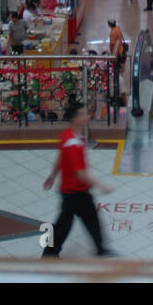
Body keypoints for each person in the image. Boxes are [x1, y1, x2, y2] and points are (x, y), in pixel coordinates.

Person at [42, 103, 113, 258]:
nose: (87, 116)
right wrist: (101, 185)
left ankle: (100, 248)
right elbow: (80, 173)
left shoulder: (69, 135)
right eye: (82, 114)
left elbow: (60, 158)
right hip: (72, 192)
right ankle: (49, 254)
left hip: (78, 191)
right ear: (75, 119)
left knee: (91, 219)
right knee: (63, 226)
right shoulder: (73, 143)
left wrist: (52, 176)